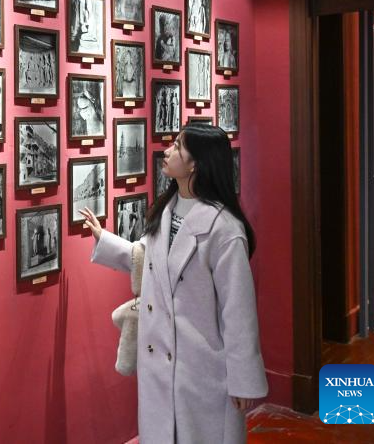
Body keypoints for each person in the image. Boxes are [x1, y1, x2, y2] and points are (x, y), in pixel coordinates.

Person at [80, 124, 267, 444]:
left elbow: (238, 311)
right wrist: (105, 239)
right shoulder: (166, 210)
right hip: (158, 367)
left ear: (196, 163)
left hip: (202, 370)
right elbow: (151, 263)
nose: (167, 151)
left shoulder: (224, 229)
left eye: (178, 146)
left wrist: (243, 381)